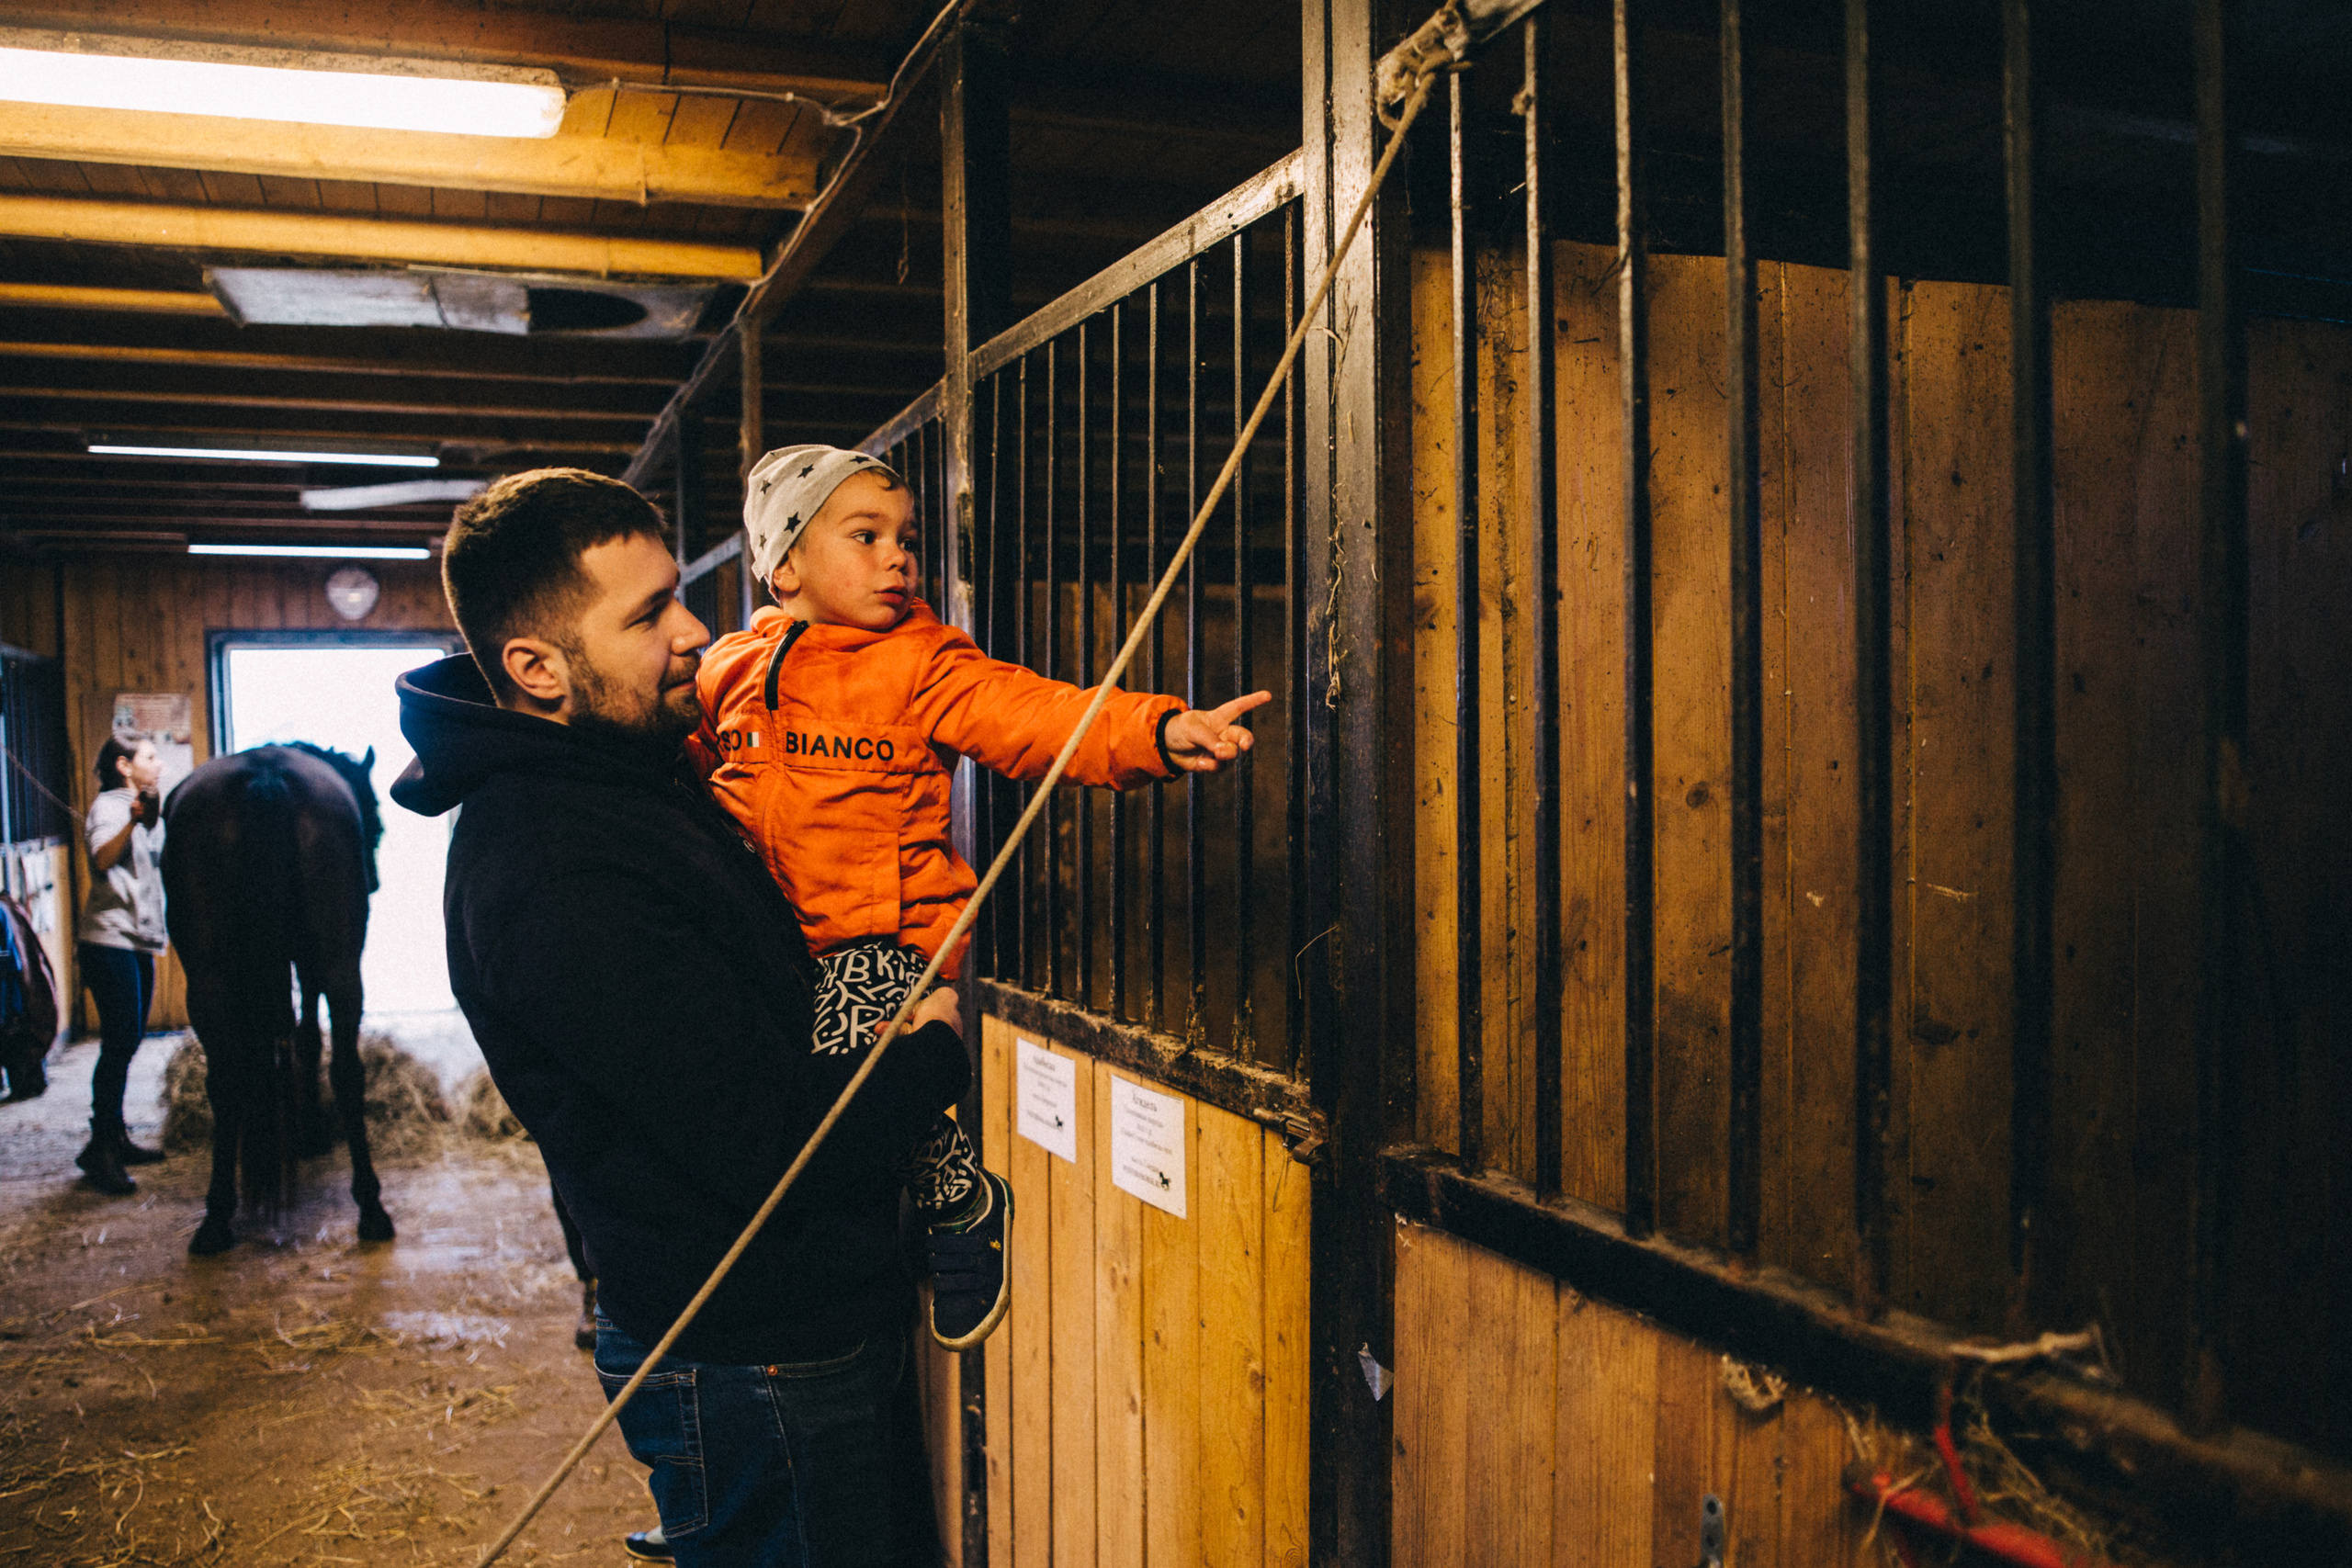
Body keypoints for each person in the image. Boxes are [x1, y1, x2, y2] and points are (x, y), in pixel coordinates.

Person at [393, 468, 970, 1568]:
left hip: (789, 1328)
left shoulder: (631, 780)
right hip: (750, 1355)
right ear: (535, 668)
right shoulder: (558, 865)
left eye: (678, 596)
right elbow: (765, 1141)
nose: (694, 631)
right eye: (648, 612)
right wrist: (934, 1049)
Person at [693, 446, 1267, 1350]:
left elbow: (1037, 715)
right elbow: (692, 773)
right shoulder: (729, 667)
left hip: (887, 939)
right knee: (783, 1095)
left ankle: (958, 1199)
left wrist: (1156, 730)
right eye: (867, 536)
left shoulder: (922, 663)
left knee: (860, 1056)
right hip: (772, 940)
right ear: (785, 563)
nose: (899, 558)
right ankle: (897, 1213)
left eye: (906, 539)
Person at [75, 733, 168, 1194]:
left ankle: (113, 1137)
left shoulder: (143, 808)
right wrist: (131, 824)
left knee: (128, 1041)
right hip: (108, 939)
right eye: (150, 757)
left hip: (138, 940)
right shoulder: (110, 808)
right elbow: (101, 858)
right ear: (124, 765)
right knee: (119, 1043)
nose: (159, 764)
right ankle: (101, 1150)